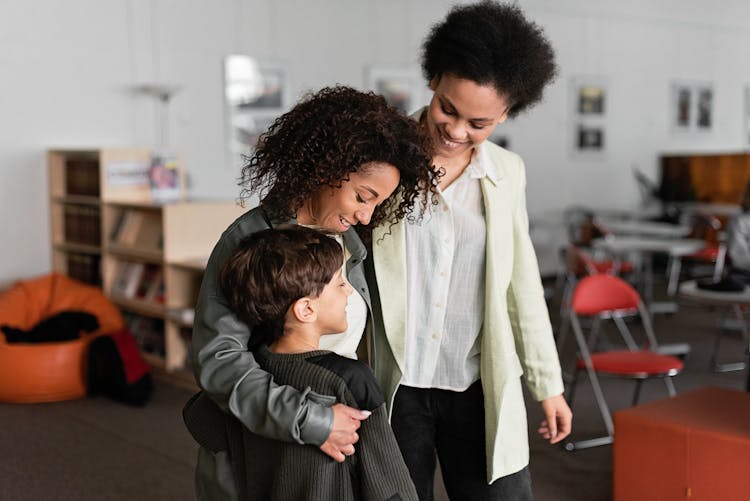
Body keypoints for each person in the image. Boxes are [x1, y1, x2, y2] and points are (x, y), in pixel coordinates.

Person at [183, 85, 436, 500]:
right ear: (325, 169)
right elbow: (220, 361)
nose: (366, 215)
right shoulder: (249, 240)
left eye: (379, 204)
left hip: (334, 436)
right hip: (267, 442)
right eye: (362, 197)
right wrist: (313, 421)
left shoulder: (350, 242)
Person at [364, 2, 573, 500]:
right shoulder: (380, 159)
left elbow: (521, 285)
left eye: (479, 123)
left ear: (506, 114)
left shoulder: (507, 173)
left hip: (478, 383)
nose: (457, 132)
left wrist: (549, 385)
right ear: (434, 79)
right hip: (395, 383)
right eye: (448, 109)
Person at [217, 225, 418, 501]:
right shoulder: (351, 379)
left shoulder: (249, 373)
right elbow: (388, 482)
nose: (348, 291)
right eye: (339, 283)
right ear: (306, 309)